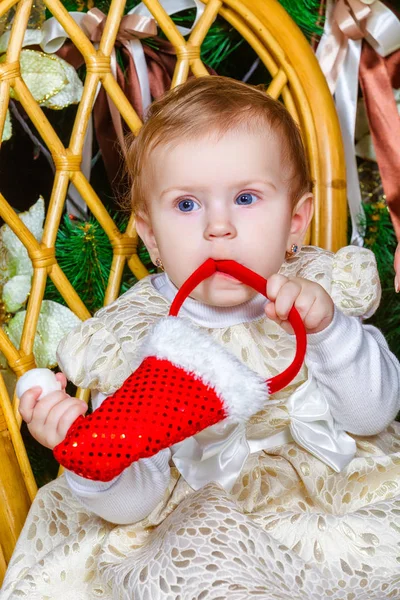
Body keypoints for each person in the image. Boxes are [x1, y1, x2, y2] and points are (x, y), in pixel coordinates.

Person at [2, 76, 400, 600]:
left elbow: (373, 416)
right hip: (200, 515)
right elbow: (133, 507)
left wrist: (330, 331)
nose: (219, 226)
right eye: (187, 205)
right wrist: (92, 460)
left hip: (332, 497)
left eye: (246, 197)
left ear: (295, 222)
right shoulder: (139, 334)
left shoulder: (320, 289)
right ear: (152, 238)